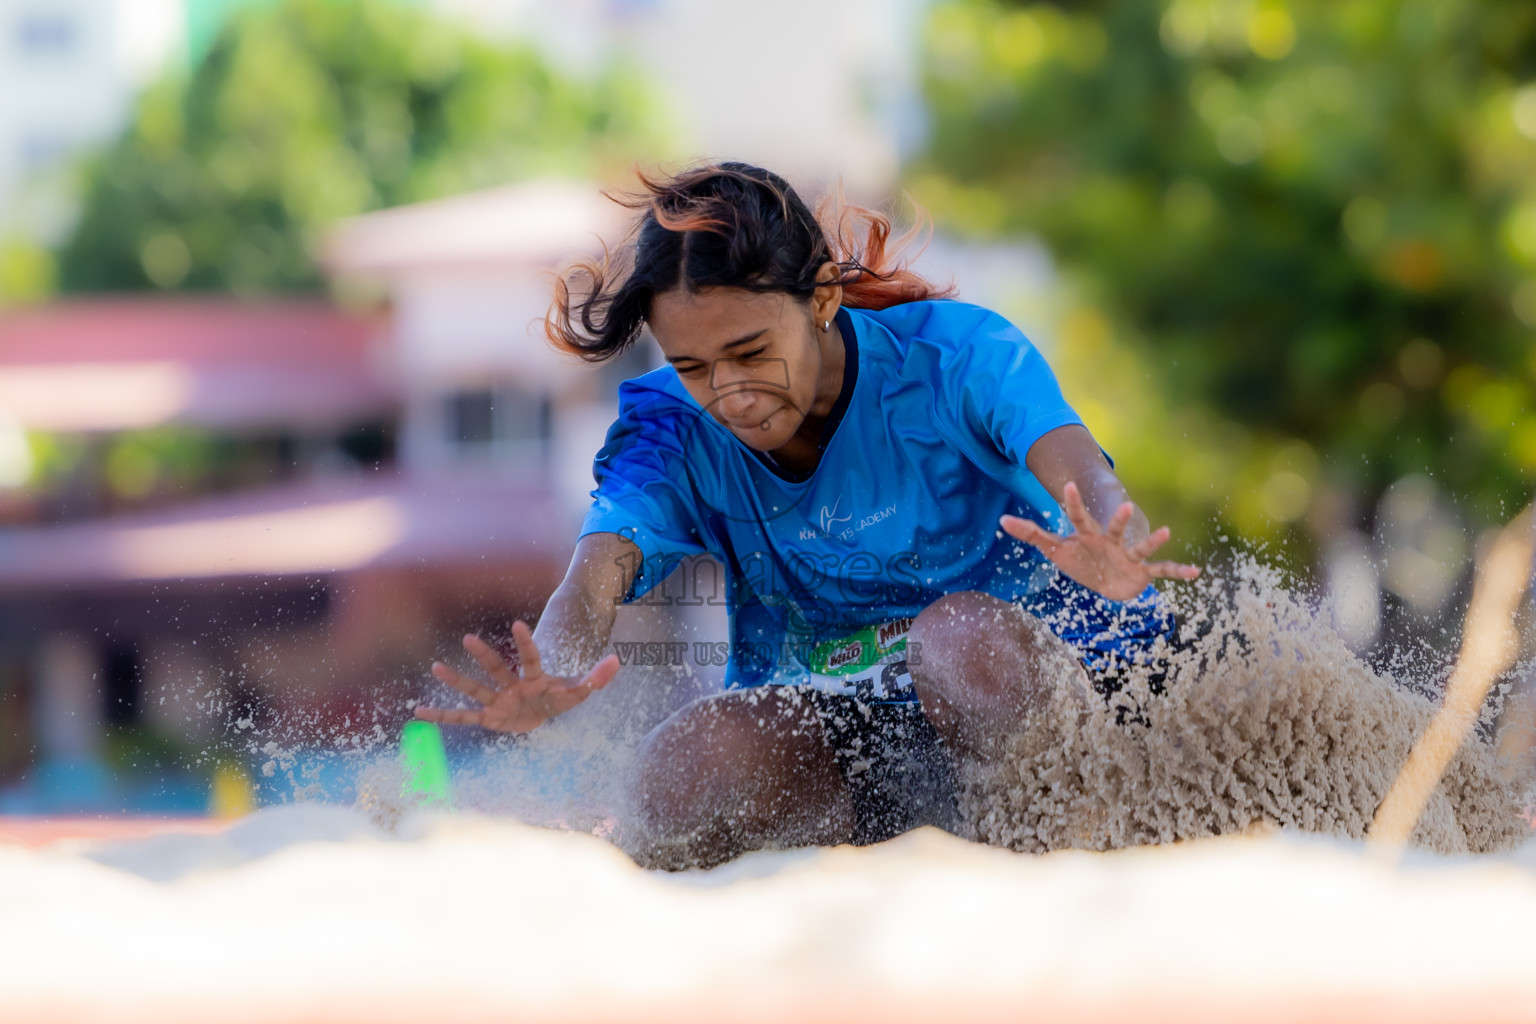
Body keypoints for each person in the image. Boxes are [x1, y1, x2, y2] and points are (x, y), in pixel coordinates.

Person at [414, 162, 1201, 869]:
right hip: (869, 713)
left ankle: (1075, 858)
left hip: (1072, 678)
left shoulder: (955, 356)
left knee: (955, 642)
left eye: (752, 353)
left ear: (822, 297)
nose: (730, 394)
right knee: (679, 770)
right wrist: (554, 660)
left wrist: (1106, 531)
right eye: (694, 366)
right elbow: (594, 576)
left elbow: (1073, 464)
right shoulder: (667, 430)